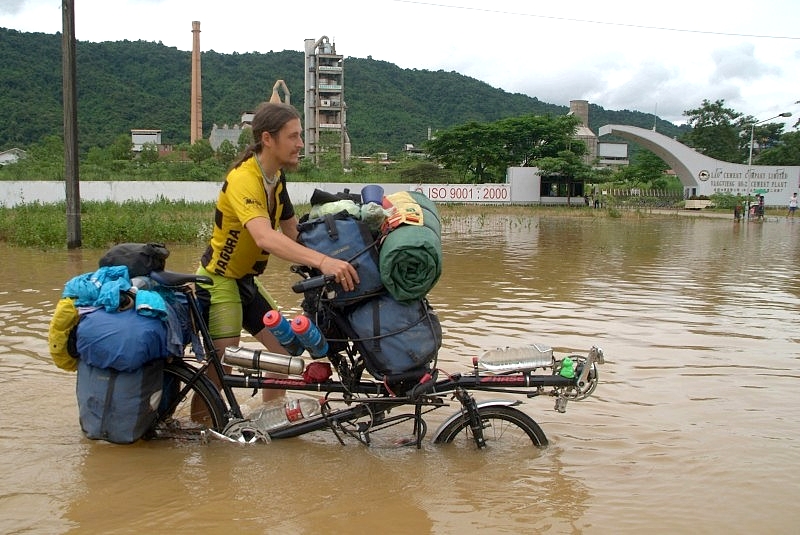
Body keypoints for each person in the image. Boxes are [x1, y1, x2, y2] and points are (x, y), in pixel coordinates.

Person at [195, 101, 359, 403]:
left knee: (284, 356)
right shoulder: (245, 179)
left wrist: (345, 254)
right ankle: (198, 438)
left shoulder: (276, 178)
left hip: (246, 282)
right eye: (293, 137)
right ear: (268, 139)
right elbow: (263, 237)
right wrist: (323, 262)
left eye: (300, 136)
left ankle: (270, 424)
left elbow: (294, 232)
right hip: (219, 282)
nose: (300, 144)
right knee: (220, 369)